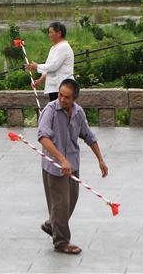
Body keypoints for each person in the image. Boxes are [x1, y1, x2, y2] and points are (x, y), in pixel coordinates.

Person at [37, 78, 108, 255]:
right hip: (55, 167)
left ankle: (51, 224)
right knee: (61, 204)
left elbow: (88, 136)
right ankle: (61, 242)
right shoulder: (50, 110)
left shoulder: (78, 113)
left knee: (71, 201)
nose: (62, 99)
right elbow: (42, 136)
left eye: (66, 97)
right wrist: (61, 159)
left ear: (74, 98)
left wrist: (100, 159)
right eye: (60, 95)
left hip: (72, 164)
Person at [26, 21, 75, 102]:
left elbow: (53, 66)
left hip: (63, 88)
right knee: (56, 113)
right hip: (55, 88)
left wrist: (37, 67)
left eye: (51, 32)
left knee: (61, 113)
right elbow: (49, 68)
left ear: (59, 33)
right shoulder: (54, 48)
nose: (49, 35)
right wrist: (40, 81)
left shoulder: (63, 47)